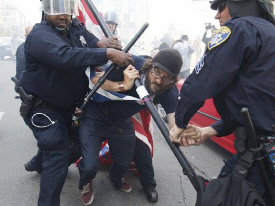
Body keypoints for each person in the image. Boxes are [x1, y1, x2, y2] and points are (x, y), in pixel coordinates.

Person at [19, 0, 133, 205]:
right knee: (57, 154)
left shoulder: (75, 28)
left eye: (67, 11)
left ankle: (39, 162)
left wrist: (105, 44)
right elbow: (66, 56)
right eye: (56, 12)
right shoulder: (40, 36)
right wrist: (107, 53)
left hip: (68, 108)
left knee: (80, 145)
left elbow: (92, 43)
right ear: (45, 12)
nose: (63, 16)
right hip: (43, 108)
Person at [169, 0, 275, 205]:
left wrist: (179, 125)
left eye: (221, 7)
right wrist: (210, 131)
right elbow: (257, 102)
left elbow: (201, 82)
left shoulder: (239, 28)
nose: (217, 16)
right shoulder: (270, 33)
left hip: (257, 159)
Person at [78, 48, 183, 205]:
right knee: (89, 166)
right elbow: (95, 79)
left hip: (122, 121)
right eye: (157, 72)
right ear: (150, 66)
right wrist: (123, 85)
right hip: (96, 116)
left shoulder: (168, 90)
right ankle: (86, 182)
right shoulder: (129, 63)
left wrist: (179, 133)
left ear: (173, 80)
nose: (159, 80)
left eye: (167, 78)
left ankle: (115, 179)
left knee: (123, 162)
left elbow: (173, 120)